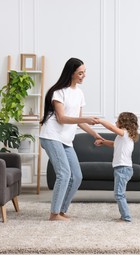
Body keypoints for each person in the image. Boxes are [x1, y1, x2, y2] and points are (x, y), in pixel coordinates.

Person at [39, 58, 103, 221]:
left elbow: (78, 119)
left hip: (66, 140)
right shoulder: (58, 92)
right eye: (80, 73)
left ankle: (61, 210)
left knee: (76, 176)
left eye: (84, 72)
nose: (84, 76)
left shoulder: (79, 93)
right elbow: (61, 118)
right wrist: (86, 120)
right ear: (71, 73)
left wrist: (94, 134)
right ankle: (54, 214)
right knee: (64, 174)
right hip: (51, 136)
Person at [94, 112, 139, 222]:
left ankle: (126, 217)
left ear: (124, 123)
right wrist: (104, 142)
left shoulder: (124, 133)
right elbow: (114, 144)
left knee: (119, 194)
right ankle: (124, 215)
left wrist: (100, 121)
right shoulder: (123, 137)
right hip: (122, 168)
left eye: (118, 120)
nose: (115, 122)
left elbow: (111, 127)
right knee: (119, 193)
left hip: (123, 168)